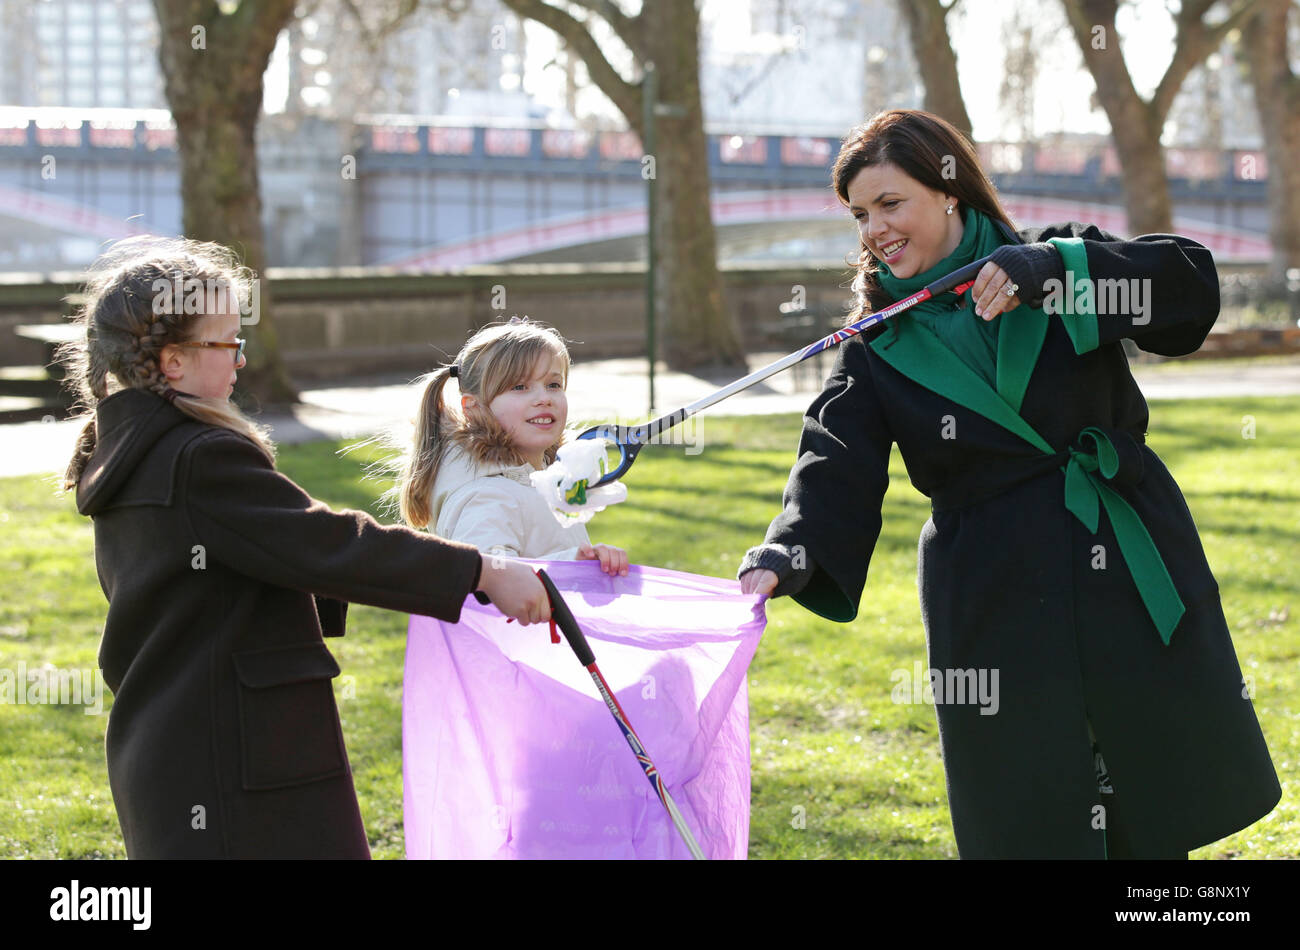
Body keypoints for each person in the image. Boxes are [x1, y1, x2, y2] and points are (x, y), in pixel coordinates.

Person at [737, 109, 1281, 859]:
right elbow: (833, 459)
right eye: (860, 214)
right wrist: (788, 552)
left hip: (1117, 556)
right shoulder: (879, 342)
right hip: (993, 592)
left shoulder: (1058, 265)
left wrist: (1058, 270)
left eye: (891, 204)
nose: (874, 229)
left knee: (1147, 798)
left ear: (950, 191)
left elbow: (1187, 289)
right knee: (1032, 805)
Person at [60, 236, 551, 859]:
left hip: (175, 751)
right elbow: (325, 543)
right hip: (241, 764)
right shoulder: (197, 456)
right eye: (227, 341)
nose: (241, 358)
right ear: (175, 361)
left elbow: (244, 569)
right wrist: (482, 568)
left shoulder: (128, 452)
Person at [392, 318, 628, 574]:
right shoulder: (486, 495)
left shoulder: (535, 477)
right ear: (473, 408)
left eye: (553, 385)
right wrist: (574, 564)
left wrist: (586, 573)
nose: (543, 398)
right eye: (520, 387)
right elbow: (487, 579)